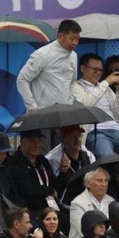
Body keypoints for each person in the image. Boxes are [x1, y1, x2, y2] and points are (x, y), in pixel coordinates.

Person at [16, 20, 82, 151]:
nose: (75, 43)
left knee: (60, 155)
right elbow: (22, 79)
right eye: (72, 38)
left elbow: (72, 83)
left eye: (78, 39)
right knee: (43, 154)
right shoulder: (42, 54)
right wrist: (32, 107)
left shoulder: (74, 56)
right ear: (60, 36)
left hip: (62, 117)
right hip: (42, 115)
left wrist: (68, 104)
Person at [71, 53, 119, 158]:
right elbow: (85, 104)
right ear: (83, 68)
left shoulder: (104, 88)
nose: (98, 73)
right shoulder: (76, 86)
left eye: (100, 70)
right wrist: (106, 82)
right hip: (96, 133)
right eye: (95, 69)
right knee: (108, 158)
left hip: (117, 131)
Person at [6, 130, 69, 218]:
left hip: (51, 208)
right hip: (31, 211)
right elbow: (27, 189)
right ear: (22, 142)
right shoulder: (15, 163)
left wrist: (63, 172)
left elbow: (56, 186)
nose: (37, 145)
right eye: (33, 141)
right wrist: (49, 190)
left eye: (39, 141)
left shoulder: (42, 161)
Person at [69, 168, 114, 238]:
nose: (104, 184)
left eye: (106, 181)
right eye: (99, 180)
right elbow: (83, 231)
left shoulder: (111, 201)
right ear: (88, 184)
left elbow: (114, 228)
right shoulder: (77, 203)